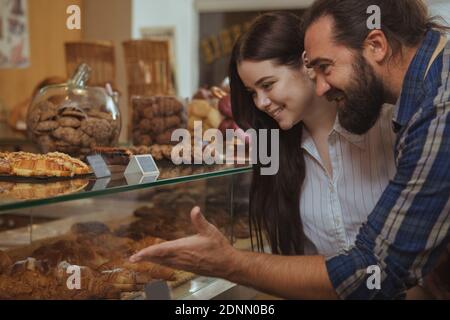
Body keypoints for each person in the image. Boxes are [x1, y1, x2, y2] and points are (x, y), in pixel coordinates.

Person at [130, 0, 450, 299]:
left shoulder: (395, 119)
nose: (260, 103)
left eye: (268, 85)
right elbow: (295, 259)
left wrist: (230, 262)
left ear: (306, 65)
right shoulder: (274, 148)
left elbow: (397, 261)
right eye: (251, 92)